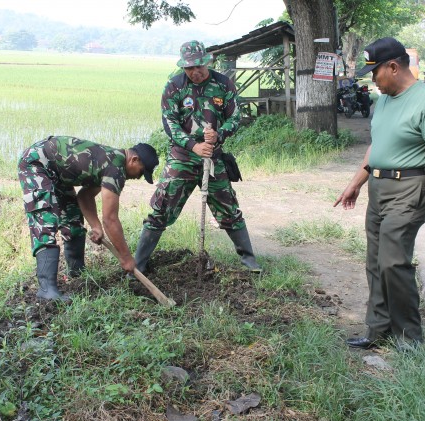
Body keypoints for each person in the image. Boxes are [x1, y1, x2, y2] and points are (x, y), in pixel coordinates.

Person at [334, 37, 425, 349]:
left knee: (393, 260)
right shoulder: (383, 100)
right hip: (379, 186)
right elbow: (377, 145)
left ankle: (408, 336)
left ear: (394, 67)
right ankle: (378, 329)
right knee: (375, 260)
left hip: (410, 187)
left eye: (375, 72)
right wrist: (356, 182)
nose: (373, 80)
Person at [133, 40, 261, 274]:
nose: (195, 72)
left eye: (199, 66)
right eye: (189, 68)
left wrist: (219, 134)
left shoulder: (223, 84)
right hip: (181, 158)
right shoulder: (174, 86)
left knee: (229, 209)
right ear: (183, 67)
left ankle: (250, 262)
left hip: (213, 158)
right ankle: (138, 265)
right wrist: (193, 146)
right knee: (161, 210)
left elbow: (235, 117)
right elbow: (169, 123)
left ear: (207, 61)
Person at [18, 136, 159, 300]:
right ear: (134, 159)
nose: (139, 177)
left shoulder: (112, 163)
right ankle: (46, 290)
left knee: (72, 218)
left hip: (58, 173)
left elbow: (85, 196)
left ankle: (77, 273)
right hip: (37, 163)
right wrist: (126, 258)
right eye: (142, 172)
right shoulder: (116, 169)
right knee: (45, 220)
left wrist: (96, 226)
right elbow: (111, 220)